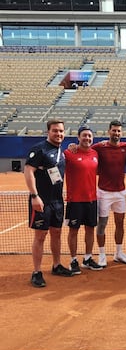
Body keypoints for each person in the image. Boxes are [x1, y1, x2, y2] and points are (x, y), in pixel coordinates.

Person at [24, 118, 73, 288]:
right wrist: (34, 196)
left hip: (57, 201)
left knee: (56, 233)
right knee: (40, 236)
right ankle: (37, 272)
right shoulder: (39, 149)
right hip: (41, 201)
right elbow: (28, 171)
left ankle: (57, 265)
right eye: (55, 131)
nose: (58, 134)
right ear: (48, 132)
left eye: (61, 131)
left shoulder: (62, 152)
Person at [92, 120, 126, 267]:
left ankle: (118, 253)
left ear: (121, 133)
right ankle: (102, 255)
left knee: (120, 223)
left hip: (120, 192)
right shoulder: (100, 147)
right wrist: (74, 147)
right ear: (109, 131)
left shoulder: (125, 147)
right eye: (114, 130)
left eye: (118, 131)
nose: (116, 133)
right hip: (104, 193)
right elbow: (86, 150)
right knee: (102, 224)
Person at [64, 126, 102, 274]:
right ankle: (73, 260)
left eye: (89, 136)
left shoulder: (95, 153)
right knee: (73, 231)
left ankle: (87, 258)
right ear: (78, 137)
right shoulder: (69, 153)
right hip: (75, 200)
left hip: (92, 199)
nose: (87, 138)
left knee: (90, 229)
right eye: (84, 136)